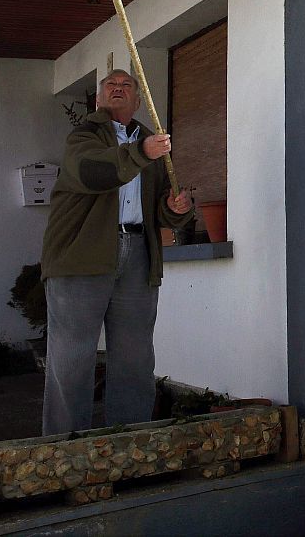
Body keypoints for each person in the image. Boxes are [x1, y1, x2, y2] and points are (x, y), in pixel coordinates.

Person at [41, 69, 194, 434]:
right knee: (72, 357)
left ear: (138, 100)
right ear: (99, 98)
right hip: (82, 256)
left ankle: (130, 444)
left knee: (134, 359)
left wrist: (175, 208)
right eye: (111, 85)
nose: (119, 89)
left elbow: (157, 206)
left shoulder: (149, 141)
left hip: (139, 253)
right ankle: (63, 448)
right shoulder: (85, 136)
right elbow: (92, 172)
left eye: (127, 86)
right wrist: (141, 152)